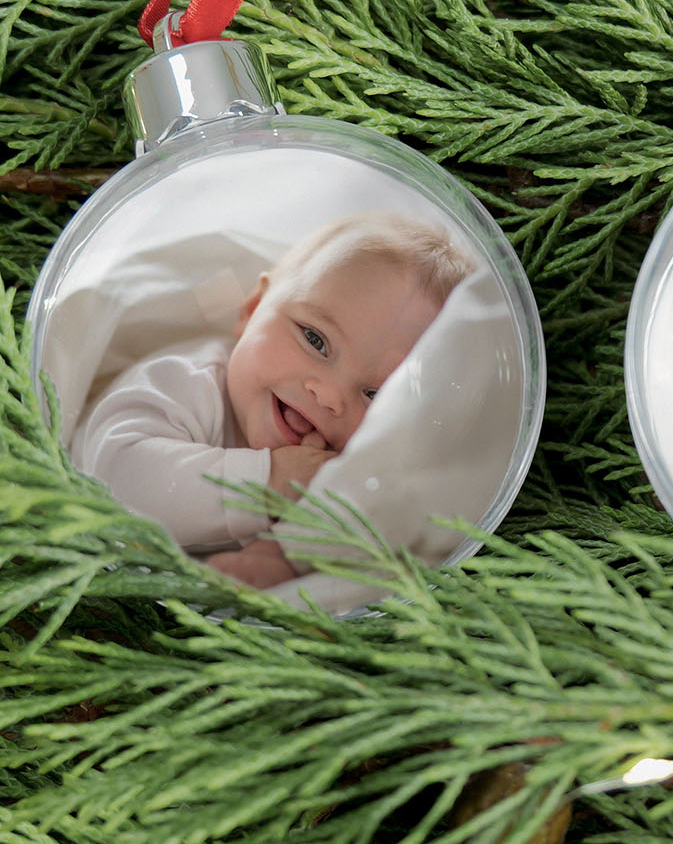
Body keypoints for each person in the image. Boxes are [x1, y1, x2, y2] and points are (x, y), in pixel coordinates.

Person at [70, 211, 473, 586]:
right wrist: (268, 483)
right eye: (314, 339)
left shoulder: (341, 467)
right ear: (253, 307)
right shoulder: (185, 381)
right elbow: (115, 477)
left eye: (375, 393)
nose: (329, 394)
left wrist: (280, 555)